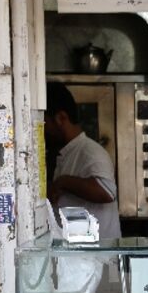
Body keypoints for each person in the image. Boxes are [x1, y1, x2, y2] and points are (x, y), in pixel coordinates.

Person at [45, 81, 122, 241]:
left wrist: (63, 182)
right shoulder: (66, 153)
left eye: (45, 123)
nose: (43, 130)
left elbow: (106, 191)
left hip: (98, 259)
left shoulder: (90, 151)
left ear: (60, 118)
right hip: (79, 258)